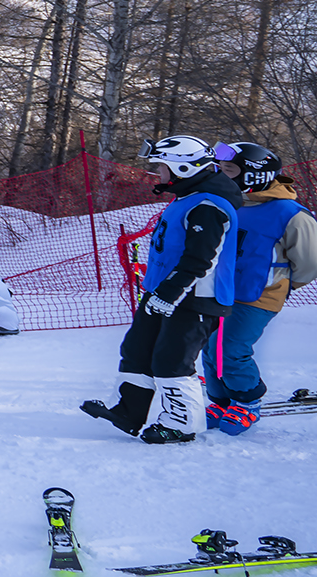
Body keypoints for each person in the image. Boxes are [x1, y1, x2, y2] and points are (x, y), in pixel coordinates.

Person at [82, 135, 242, 444]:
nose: (158, 173)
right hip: (163, 293)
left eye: (162, 166)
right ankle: (129, 411)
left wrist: (171, 293)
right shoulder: (188, 197)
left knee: (172, 361)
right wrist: (160, 293)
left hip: (195, 297)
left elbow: (201, 259)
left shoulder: (209, 205)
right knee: (136, 350)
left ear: (183, 167)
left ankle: (181, 425)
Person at [204, 142, 317, 422]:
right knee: (210, 348)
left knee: (232, 349)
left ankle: (248, 400)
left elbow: (310, 261)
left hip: (259, 294)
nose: (220, 173)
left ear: (253, 176)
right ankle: (221, 400)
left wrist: (282, 285)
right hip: (222, 291)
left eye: (228, 169)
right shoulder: (230, 202)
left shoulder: (290, 214)